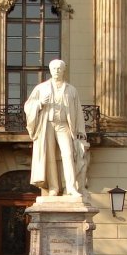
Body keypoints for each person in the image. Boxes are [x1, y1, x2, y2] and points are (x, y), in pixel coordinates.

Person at [24, 59, 87, 197]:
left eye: (59, 68)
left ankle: (70, 187)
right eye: (54, 68)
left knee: (68, 154)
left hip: (64, 125)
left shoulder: (71, 90)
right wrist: (40, 103)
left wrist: (81, 132)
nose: (56, 71)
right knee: (50, 156)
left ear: (64, 70)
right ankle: (54, 187)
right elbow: (28, 106)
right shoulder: (41, 88)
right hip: (47, 124)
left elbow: (78, 111)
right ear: (50, 70)